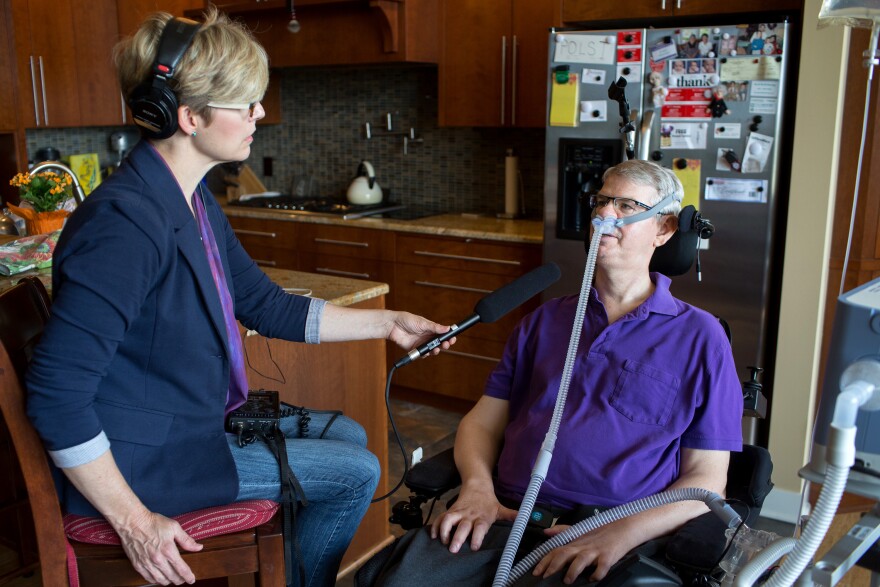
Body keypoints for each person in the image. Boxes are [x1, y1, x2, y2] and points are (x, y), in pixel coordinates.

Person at [25, 9, 454, 587]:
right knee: (358, 470)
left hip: (189, 419)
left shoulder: (190, 199)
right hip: (144, 458)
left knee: (348, 436)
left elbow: (266, 305)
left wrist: (389, 323)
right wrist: (135, 521)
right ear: (188, 116)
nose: (260, 114)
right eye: (246, 102)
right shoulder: (125, 225)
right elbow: (56, 395)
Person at [369, 160, 743, 586]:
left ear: (664, 229)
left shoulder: (700, 337)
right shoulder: (544, 321)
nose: (605, 215)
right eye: (601, 201)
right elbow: (482, 422)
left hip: (611, 532)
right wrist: (477, 487)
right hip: (507, 515)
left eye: (626, 205)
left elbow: (706, 482)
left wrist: (618, 535)